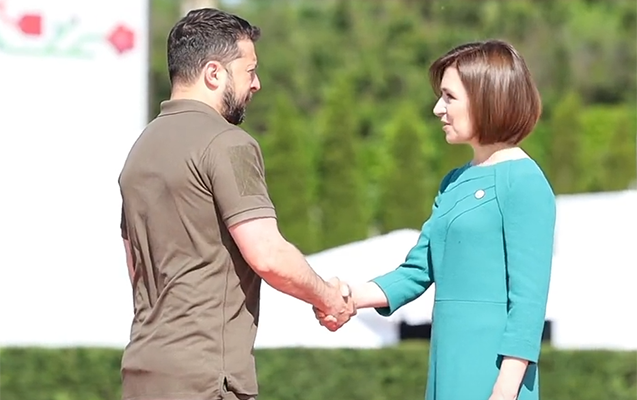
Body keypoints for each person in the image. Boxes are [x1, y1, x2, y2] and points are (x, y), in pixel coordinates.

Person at [118, 8, 354, 400]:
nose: (256, 84)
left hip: (144, 370)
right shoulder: (229, 143)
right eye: (249, 71)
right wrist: (328, 297)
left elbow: (136, 267)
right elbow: (267, 255)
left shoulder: (140, 151)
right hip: (206, 377)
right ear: (214, 73)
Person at [315, 40, 555, 400]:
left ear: (487, 98)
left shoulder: (524, 181)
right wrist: (348, 298)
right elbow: (416, 270)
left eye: (449, 97)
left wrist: (505, 389)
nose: (437, 109)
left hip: (496, 375)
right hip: (448, 363)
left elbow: (529, 303)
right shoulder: (453, 182)